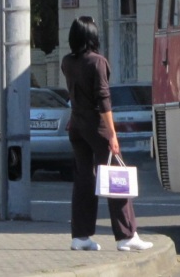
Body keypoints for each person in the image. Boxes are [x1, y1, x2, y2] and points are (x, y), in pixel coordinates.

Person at [61, 16, 152, 252]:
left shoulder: (67, 62)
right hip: (96, 126)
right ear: (93, 36)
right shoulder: (97, 62)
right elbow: (104, 101)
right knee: (117, 177)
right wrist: (112, 134)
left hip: (76, 126)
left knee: (84, 180)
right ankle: (126, 236)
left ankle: (80, 237)